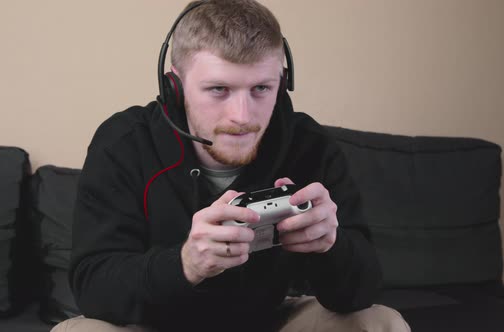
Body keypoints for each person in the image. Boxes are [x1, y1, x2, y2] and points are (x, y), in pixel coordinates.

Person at [52, 0, 410, 331]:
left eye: (261, 89)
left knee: (381, 322)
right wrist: (185, 264)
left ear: (282, 82)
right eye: (219, 90)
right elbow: (93, 286)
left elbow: (360, 293)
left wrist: (332, 245)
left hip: (269, 318)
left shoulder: (309, 145)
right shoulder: (124, 143)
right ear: (175, 86)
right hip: (152, 322)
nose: (242, 117)